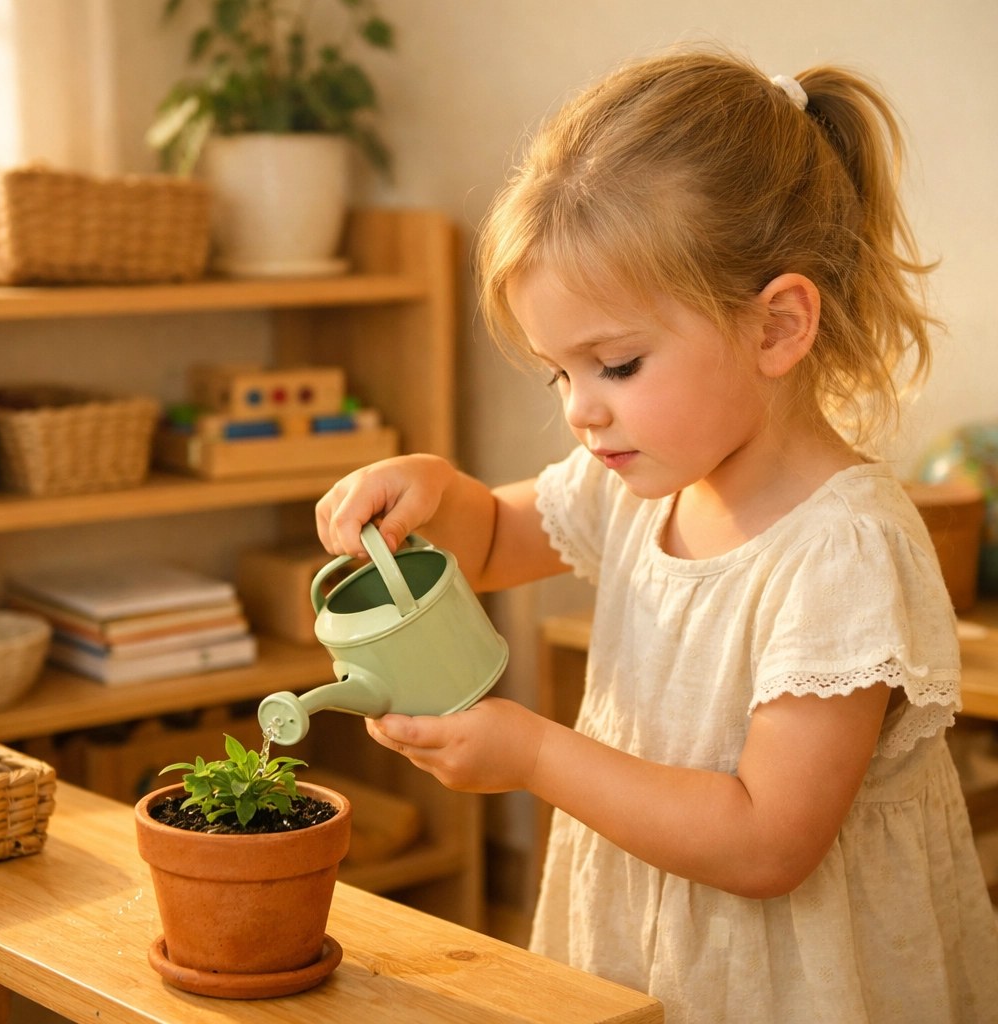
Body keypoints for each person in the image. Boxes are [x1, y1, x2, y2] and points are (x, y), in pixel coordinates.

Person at [315, 48, 998, 1022]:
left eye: (617, 364)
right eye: (560, 373)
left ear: (776, 327)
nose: (580, 413)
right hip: (647, 940)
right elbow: (500, 538)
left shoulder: (841, 550)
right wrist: (432, 490)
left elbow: (767, 843)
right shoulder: (641, 483)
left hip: (795, 980)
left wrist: (535, 756)